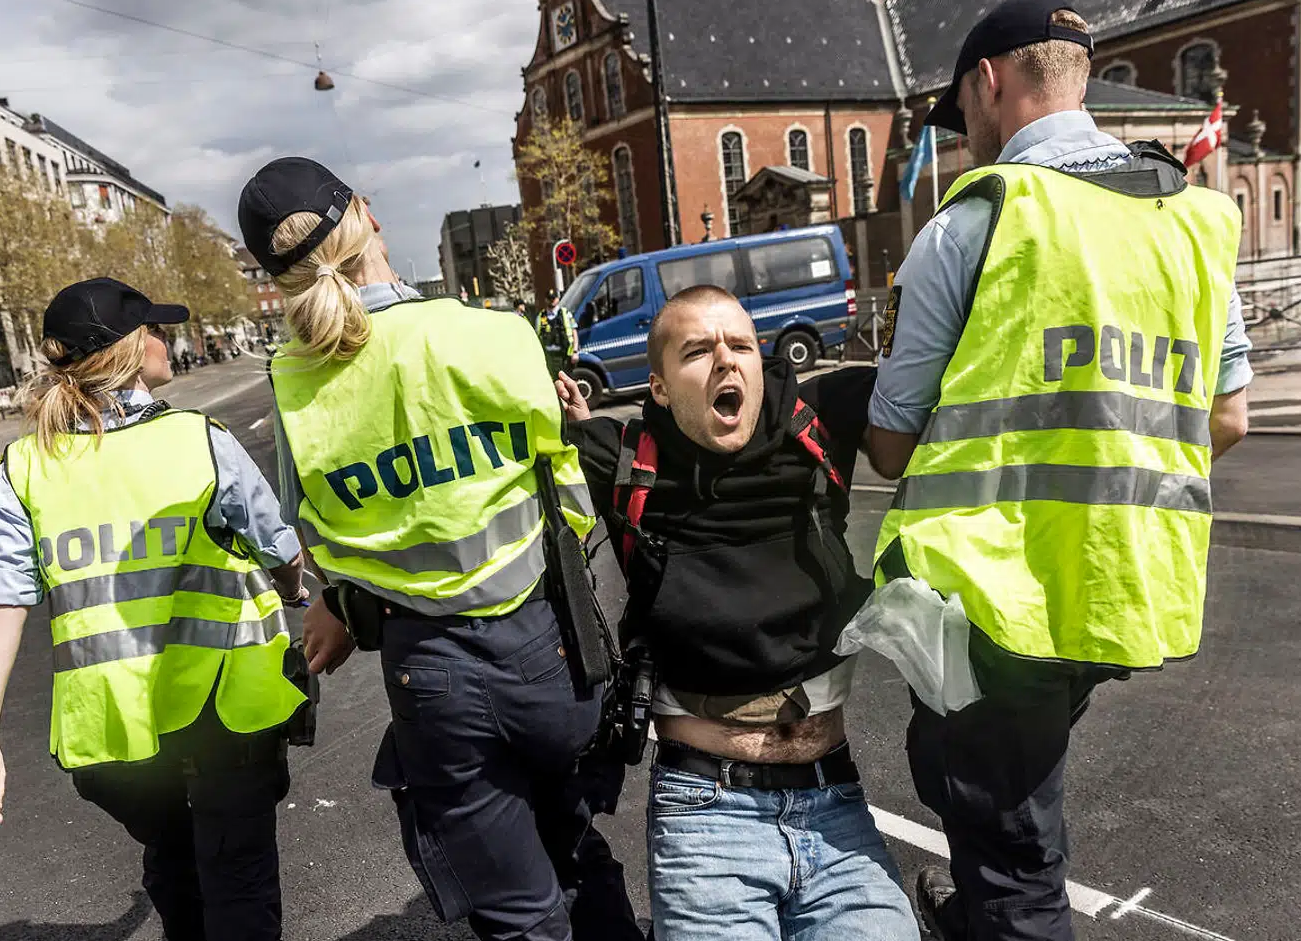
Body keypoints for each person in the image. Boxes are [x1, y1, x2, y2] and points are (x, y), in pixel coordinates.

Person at [864, 0, 1251, 941]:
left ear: (989, 81)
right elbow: (1229, 417)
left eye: (964, 112)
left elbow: (890, 442)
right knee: (1014, 813)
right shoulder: (1193, 217)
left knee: (1014, 865)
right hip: (1120, 585)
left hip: (996, 599)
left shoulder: (982, 218)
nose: (965, 136)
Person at [240, 156, 641, 941]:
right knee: (572, 844)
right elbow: (568, 501)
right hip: (547, 646)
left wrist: (345, 601)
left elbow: (318, 539)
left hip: (430, 673)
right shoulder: (492, 333)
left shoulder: (293, 381)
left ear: (280, 279)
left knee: (518, 909)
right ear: (367, 216)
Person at [0, 277, 311, 941]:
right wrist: (293, 593)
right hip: (223, 707)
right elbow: (280, 549)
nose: (167, 341)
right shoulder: (199, 439)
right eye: (157, 330)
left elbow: (5, 602)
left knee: (173, 859)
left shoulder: (24, 465)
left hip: (111, 730)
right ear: (133, 349)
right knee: (238, 875)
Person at [556, 285, 921, 941]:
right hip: (705, 817)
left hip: (835, 805)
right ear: (660, 386)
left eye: (741, 345)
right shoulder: (624, 457)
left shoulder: (817, 419)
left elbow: (942, 371)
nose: (726, 359)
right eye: (698, 350)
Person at [538, 287, 579, 379]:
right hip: (549, 358)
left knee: (567, 381)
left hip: (564, 356)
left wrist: (575, 351)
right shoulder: (541, 316)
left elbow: (574, 332)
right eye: (549, 298)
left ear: (558, 299)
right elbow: (537, 336)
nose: (552, 301)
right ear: (546, 300)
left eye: (553, 298)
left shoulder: (565, 313)